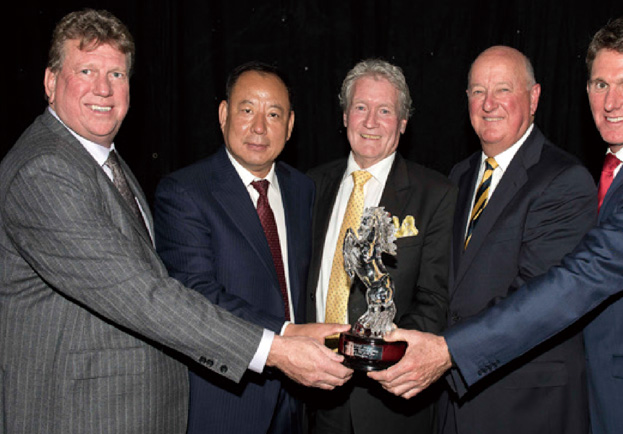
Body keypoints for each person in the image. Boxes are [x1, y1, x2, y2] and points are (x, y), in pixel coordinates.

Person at [0, 9, 350, 433]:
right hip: (80, 415)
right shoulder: (45, 170)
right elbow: (140, 294)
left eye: (116, 74)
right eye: (86, 71)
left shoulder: (102, 162)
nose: (103, 89)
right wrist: (276, 348)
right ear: (50, 82)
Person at [369, 17, 623, 434]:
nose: (611, 102)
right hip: (583, 395)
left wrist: (450, 351)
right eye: (600, 85)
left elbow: (580, 279)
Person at [153, 61, 320, 434]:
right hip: (226, 400)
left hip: (297, 400)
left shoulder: (302, 189)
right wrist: (287, 336)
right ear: (223, 114)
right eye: (247, 110)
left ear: (290, 125)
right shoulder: (184, 192)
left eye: (273, 114)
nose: (259, 127)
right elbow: (196, 294)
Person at [438, 45, 595, 434]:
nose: (488, 104)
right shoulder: (458, 176)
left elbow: (538, 299)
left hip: (524, 405)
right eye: (477, 91)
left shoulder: (564, 179)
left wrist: (446, 352)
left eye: (503, 90)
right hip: (452, 400)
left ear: (534, 97)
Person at [305, 59, 457, 434]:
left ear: (403, 122)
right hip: (312, 394)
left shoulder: (435, 194)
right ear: (345, 116)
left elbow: (434, 298)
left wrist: (387, 357)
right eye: (361, 107)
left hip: (389, 401)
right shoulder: (309, 186)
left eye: (385, 111)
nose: (371, 122)